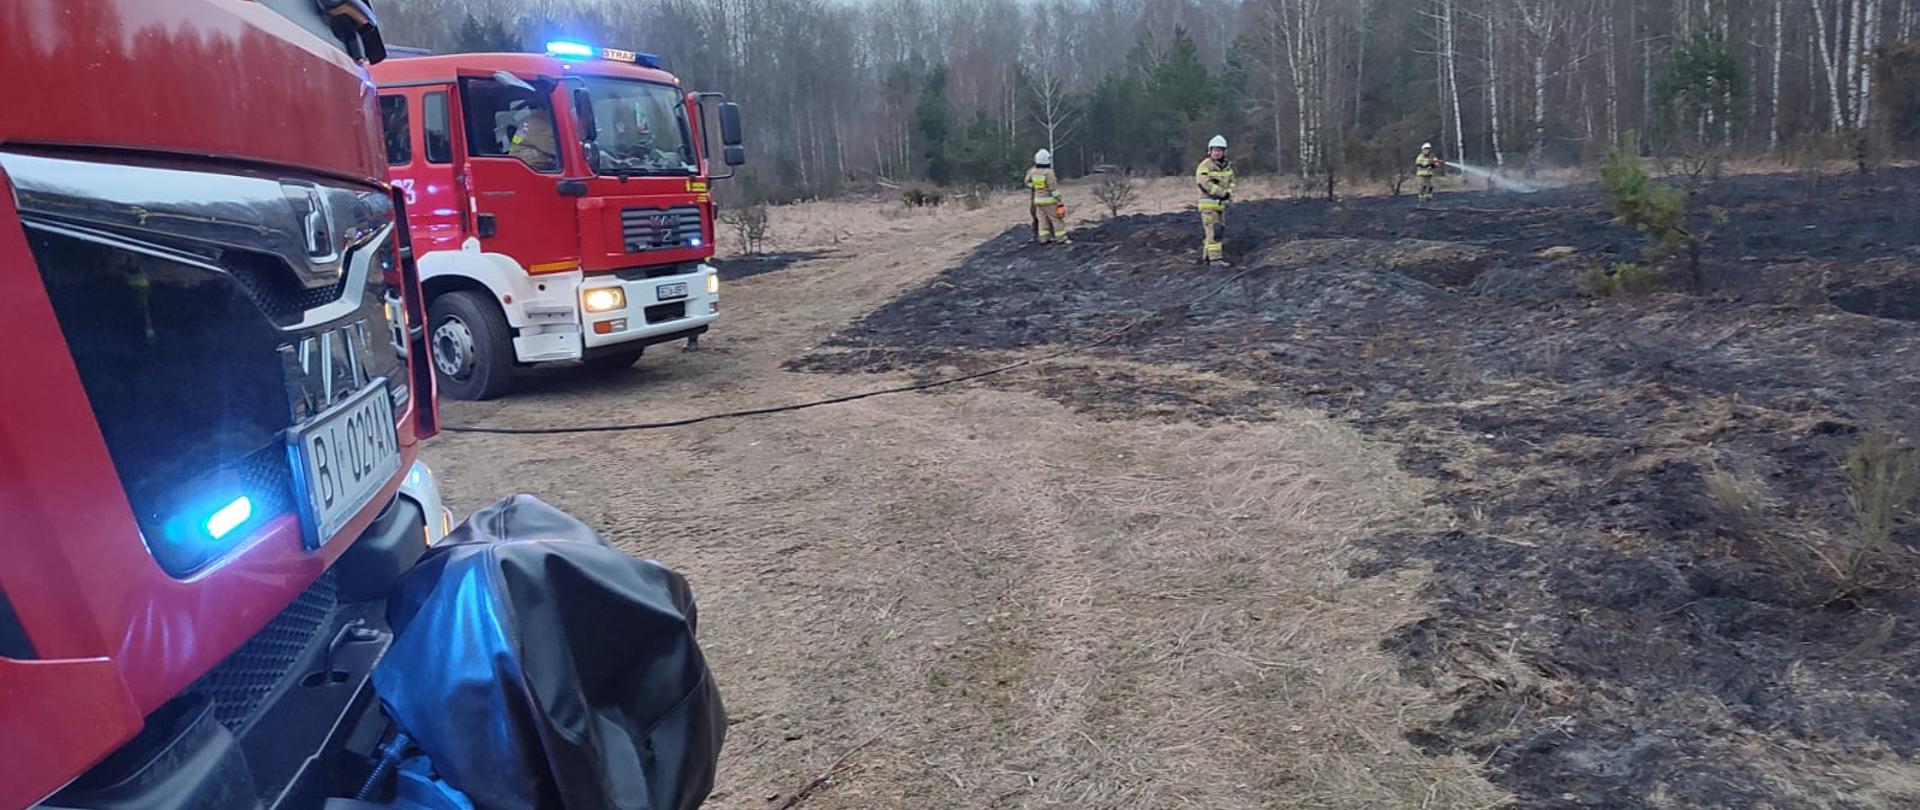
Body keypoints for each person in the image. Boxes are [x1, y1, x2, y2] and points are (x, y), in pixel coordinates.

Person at [1195, 135, 1235, 266]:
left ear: (1224, 151)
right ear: (1210, 151)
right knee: (1213, 232)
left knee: (1216, 232)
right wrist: (1222, 193)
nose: (1217, 153)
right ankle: (1215, 260)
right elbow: (1204, 184)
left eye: (1219, 150)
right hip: (1208, 206)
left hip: (1220, 206)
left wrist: (1229, 195)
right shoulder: (1205, 166)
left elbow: (1231, 182)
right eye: (1215, 150)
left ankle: (1207, 258)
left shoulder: (1227, 167)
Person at [1025, 149, 1069, 245]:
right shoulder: (1048, 172)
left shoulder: (1033, 171)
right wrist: (1059, 199)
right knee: (1056, 219)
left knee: (1042, 220)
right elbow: (1053, 188)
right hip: (1049, 201)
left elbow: (1027, 182)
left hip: (1038, 201)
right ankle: (1061, 238)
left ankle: (1043, 238)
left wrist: (1034, 187)